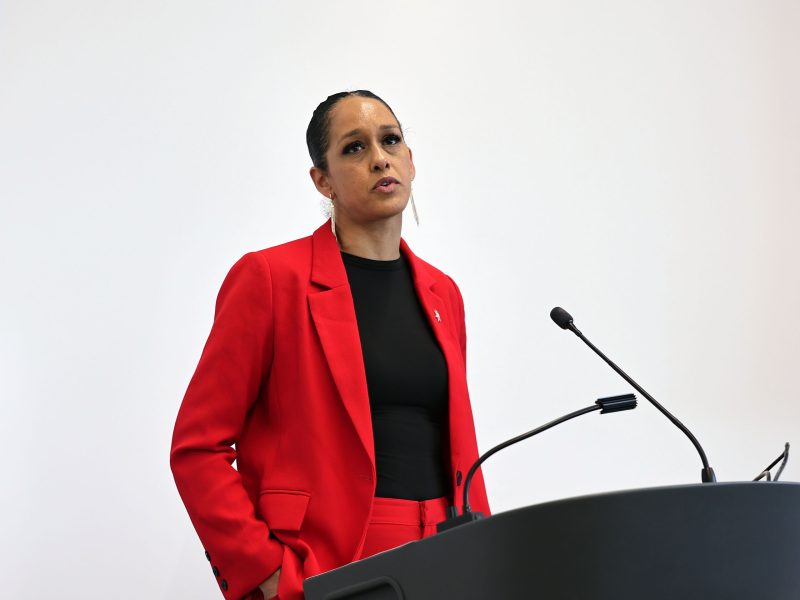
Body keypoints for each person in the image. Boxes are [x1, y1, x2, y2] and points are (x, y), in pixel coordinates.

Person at [170, 90, 491, 600]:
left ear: (410, 161)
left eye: (390, 140)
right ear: (322, 180)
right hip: (327, 561)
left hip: (444, 551)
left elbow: (458, 450)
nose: (379, 157)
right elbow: (197, 448)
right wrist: (266, 572)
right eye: (354, 148)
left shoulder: (442, 293)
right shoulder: (271, 278)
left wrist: (483, 555)